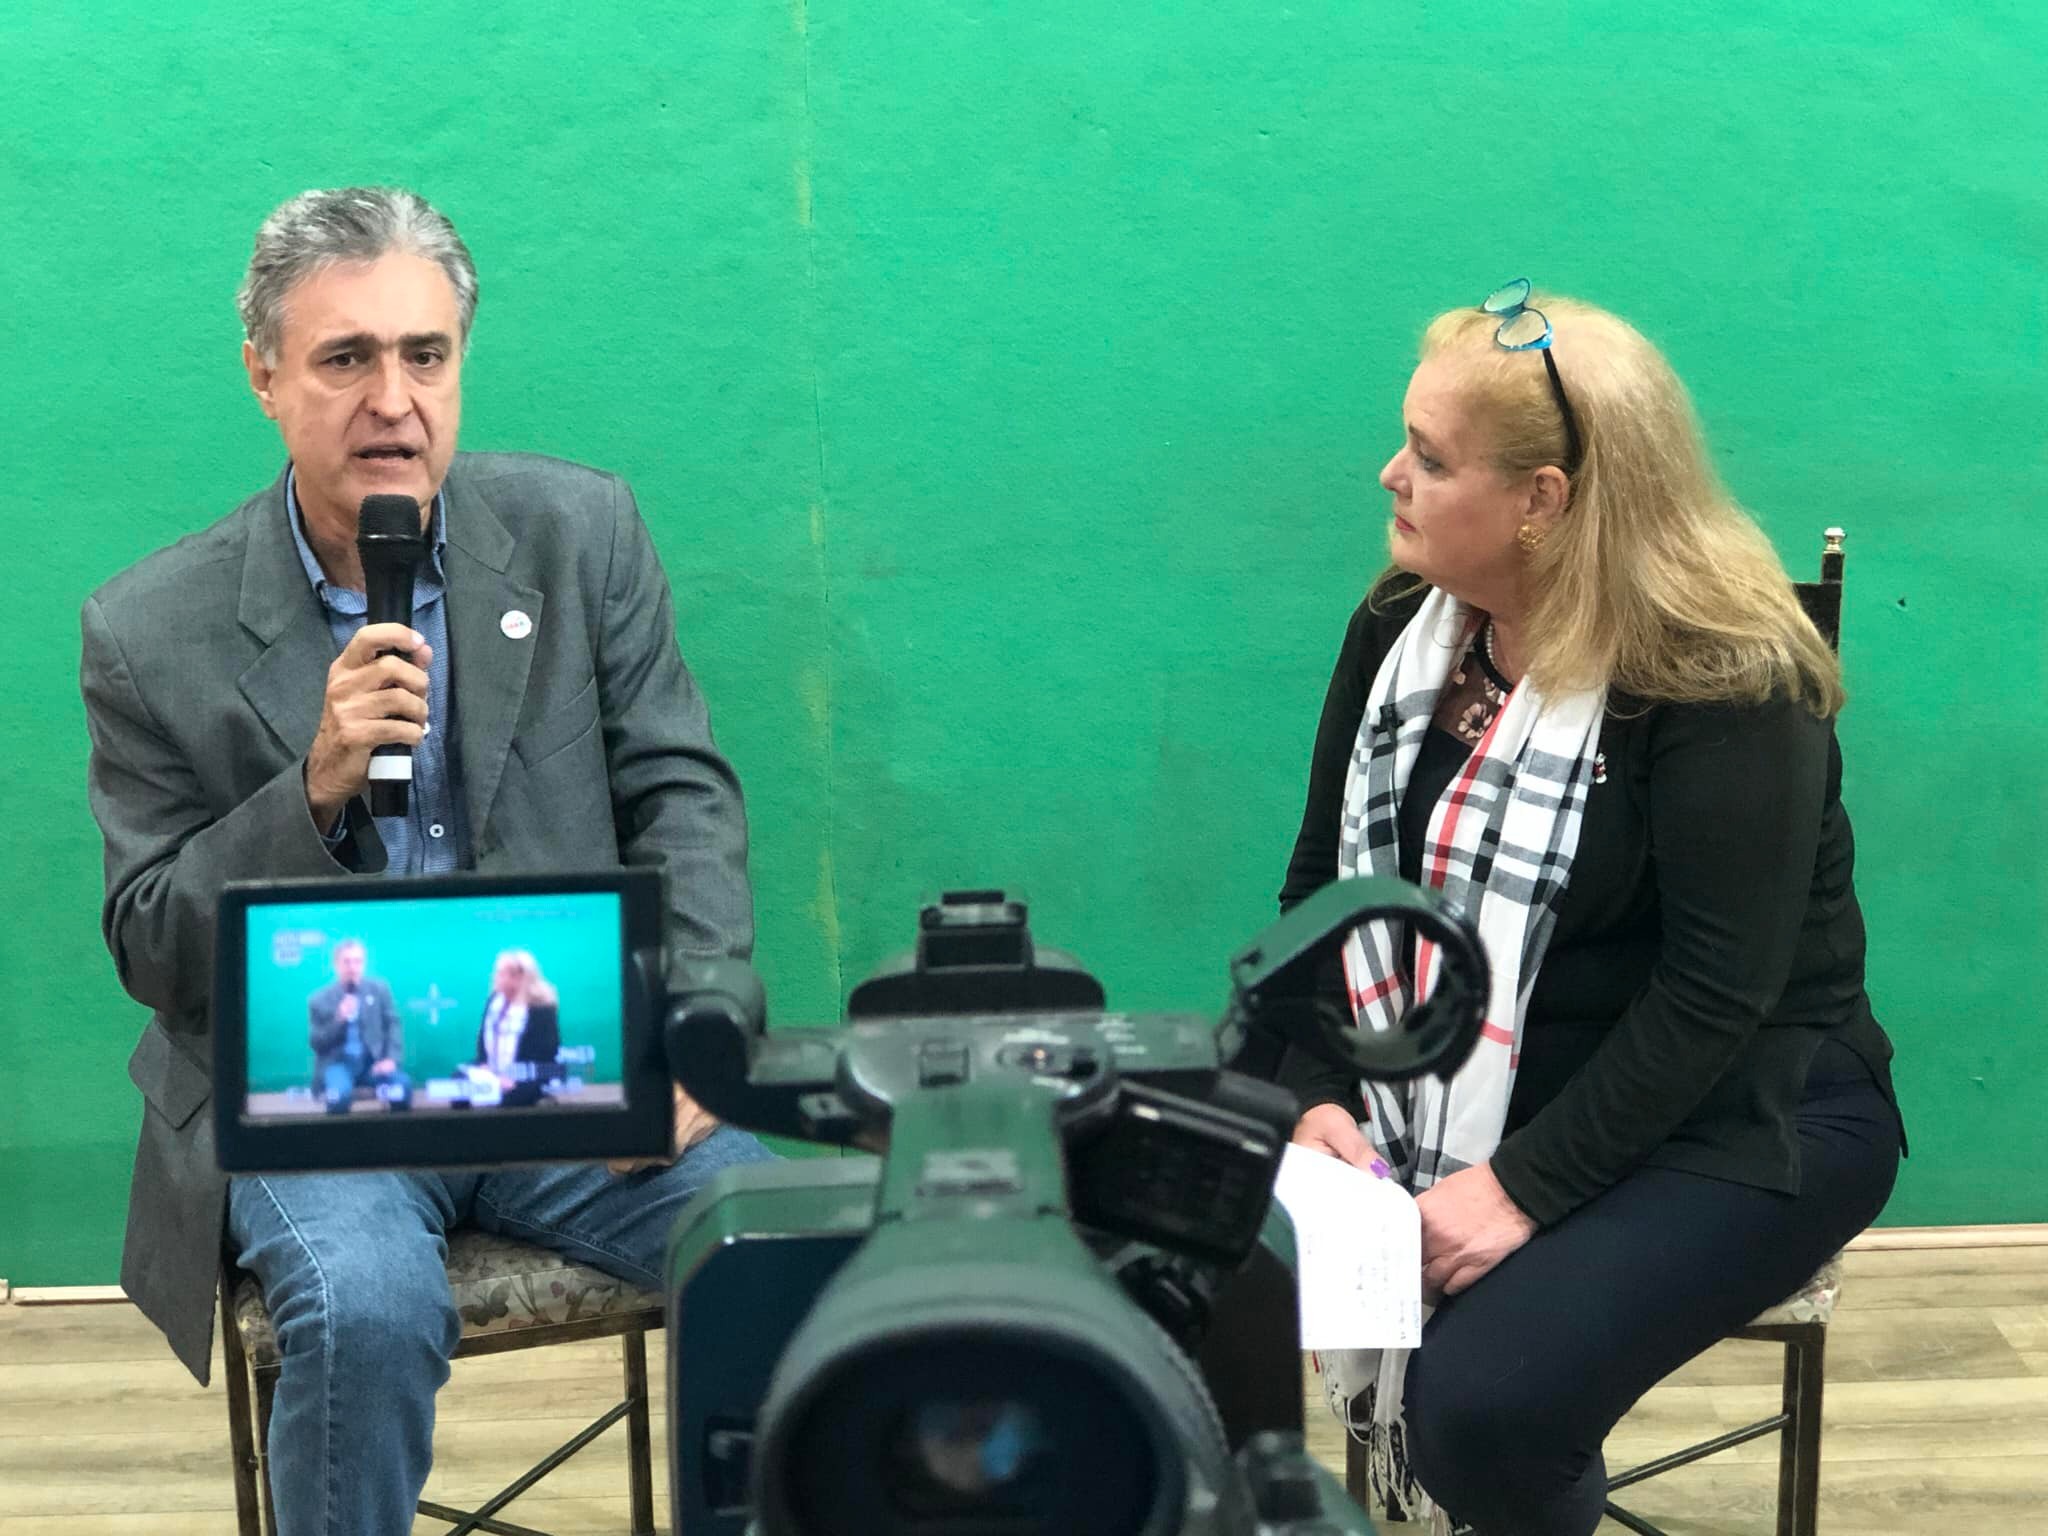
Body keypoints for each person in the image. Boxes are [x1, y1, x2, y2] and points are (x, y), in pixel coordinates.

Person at [81, 186, 774, 1536]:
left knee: (779, 1242)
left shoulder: (582, 536)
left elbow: (680, 794)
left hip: (560, 1064)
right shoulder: (148, 630)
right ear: (264, 377)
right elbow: (152, 943)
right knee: (364, 1307)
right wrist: (312, 789)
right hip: (312, 1090)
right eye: (345, 359)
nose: (391, 401)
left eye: (425, 355)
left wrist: (693, 1023)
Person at [1271, 282, 1905, 1536]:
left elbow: (1715, 996)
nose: (1389, 474)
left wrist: (1514, 1189)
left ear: (1543, 500)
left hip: (1743, 1103)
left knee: (1482, 1410)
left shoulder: (1725, 674)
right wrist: (1316, 1089)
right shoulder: (1401, 625)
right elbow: (1323, 897)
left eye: (1429, 457)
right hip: (1477, 1060)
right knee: (1168, 1220)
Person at [307, 937, 412, 1113]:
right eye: (346, 962)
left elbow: (393, 1024)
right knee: (339, 1096)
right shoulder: (319, 999)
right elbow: (316, 1043)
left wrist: (391, 1059)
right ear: (336, 965)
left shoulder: (379, 989)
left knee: (402, 1087)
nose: (352, 967)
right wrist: (339, 1019)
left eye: (357, 961)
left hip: (373, 1063)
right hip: (338, 1064)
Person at [474, 949, 561, 1106]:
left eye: (503, 974)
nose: (496, 977)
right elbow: (482, 1040)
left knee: (510, 1098)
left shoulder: (541, 1009)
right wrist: (484, 1067)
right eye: (498, 973)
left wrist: (511, 1078)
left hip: (526, 1077)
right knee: (458, 1082)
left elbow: (547, 1055)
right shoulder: (493, 1001)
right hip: (492, 1073)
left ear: (521, 978)